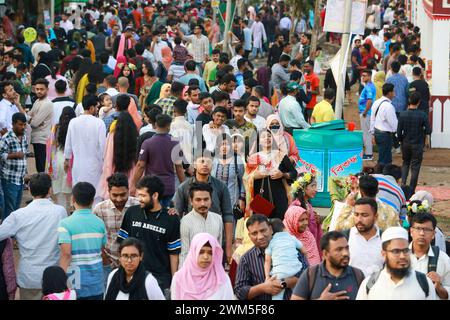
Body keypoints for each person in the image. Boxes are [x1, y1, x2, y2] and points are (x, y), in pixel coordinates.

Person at [0, 173, 67, 300]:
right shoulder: (60, 212)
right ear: (49, 189)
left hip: (29, 277)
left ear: (29, 190)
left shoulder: (19, 215)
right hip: (53, 276)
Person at [118, 175, 181, 298]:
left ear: (155, 196)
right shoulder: (132, 212)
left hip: (160, 280)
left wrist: (174, 283)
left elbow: (174, 254)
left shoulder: (171, 219)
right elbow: (123, 245)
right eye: (138, 195)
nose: (139, 199)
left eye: (143, 196)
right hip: (133, 276)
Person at [174, 155, 234, 263]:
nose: (205, 164)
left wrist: (228, 248)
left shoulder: (221, 187)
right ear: (194, 164)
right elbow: (176, 213)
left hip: (214, 233)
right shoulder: (183, 187)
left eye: (209, 161)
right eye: (202, 161)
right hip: (192, 235)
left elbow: (228, 216)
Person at [356, 226, 436, 300]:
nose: (402, 256)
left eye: (405, 251)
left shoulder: (424, 283)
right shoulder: (370, 283)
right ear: (384, 254)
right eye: (396, 251)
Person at [234, 214, 302, 300]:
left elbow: (307, 277)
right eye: (254, 233)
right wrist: (263, 288)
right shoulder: (246, 259)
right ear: (249, 236)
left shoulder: (291, 247)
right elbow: (239, 292)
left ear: (270, 229)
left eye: (263, 230)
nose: (260, 237)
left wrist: (283, 283)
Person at [58, 182, 107, 300]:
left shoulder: (65, 224)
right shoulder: (99, 223)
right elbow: (102, 250)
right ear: (92, 201)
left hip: (74, 280)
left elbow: (66, 254)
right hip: (96, 280)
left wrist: (60, 279)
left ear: (73, 199)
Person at [291, 231, 365, 300]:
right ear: (325, 254)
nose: (345, 253)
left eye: (347, 248)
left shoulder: (358, 275)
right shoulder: (311, 274)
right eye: (339, 249)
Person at [132, 114, 185, 207]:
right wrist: (184, 186)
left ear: (156, 124)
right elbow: (179, 167)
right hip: (169, 186)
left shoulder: (147, 143)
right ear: (169, 126)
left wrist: (134, 184)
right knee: (167, 215)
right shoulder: (175, 143)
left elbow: (140, 165)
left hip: (152, 187)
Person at [245, 129, 297, 220]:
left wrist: (282, 175)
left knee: (279, 223)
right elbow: (246, 177)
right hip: (260, 197)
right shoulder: (253, 158)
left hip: (279, 197)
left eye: (269, 136)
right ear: (259, 141)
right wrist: (256, 175)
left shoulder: (281, 155)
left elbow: (294, 173)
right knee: (262, 225)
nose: (267, 138)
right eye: (263, 137)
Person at [172, 233, 233, 300]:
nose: (206, 257)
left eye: (210, 253)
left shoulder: (222, 279)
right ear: (193, 252)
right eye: (201, 252)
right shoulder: (179, 279)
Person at [64, 95, 106, 190]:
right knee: (95, 194)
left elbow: (68, 144)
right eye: (97, 107)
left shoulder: (73, 122)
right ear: (91, 108)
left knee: (79, 193)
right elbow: (103, 147)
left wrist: (66, 159)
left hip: (78, 166)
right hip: (95, 165)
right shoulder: (99, 123)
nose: (97, 109)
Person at [96, 111, 138, 201]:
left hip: (114, 170)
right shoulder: (135, 136)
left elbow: (108, 158)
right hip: (131, 171)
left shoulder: (112, 135)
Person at [179, 183, 223, 267]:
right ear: (191, 201)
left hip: (213, 271)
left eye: (206, 199)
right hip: (192, 271)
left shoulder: (218, 219)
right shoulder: (185, 221)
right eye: (198, 200)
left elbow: (218, 251)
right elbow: (184, 253)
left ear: (211, 200)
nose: (203, 204)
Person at [409, 213, 450, 300]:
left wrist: (439, 287)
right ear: (411, 231)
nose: (422, 233)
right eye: (418, 228)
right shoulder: (399, 256)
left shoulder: (443, 259)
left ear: (433, 234)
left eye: (427, 229)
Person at [397, 92, 431, 194]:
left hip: (406, 143)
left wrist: (401, 140)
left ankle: (403, 184)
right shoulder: (422, 115)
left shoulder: (403, 114)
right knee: (415, 167)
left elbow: (398, 131)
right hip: (417, 144)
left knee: (405, 163)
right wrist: (423, 133)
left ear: (409, 101)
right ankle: (412, 190)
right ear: (419, 102)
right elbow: (429, 130)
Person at [265, 218, 307, 300]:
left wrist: (267, 276)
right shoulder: (292, 237)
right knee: (298, 294)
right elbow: (304, 251)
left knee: (277, 296)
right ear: (285, 228)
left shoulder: (272, 242)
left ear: (271, 231)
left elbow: (267, 260)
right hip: (296, 269)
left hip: (279, 274)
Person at [342, 197, 385, 277]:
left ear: (375, 217)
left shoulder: (385, 239)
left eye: (364, 215)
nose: (359, 219)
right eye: (356, 214)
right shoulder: (345, 238)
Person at [46, 107, 76, 210]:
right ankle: (69, 210)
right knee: (69, 189)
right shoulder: (74, 127)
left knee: (59, 190)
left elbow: (51, 146)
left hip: (58, 159)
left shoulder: (56, 128)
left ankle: (61, 212)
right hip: (70, 160)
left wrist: (49, 165)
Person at [0, 112, 28, 219]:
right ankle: (6, 232)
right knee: (9, 209)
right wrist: (14, 155)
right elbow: (1, 154)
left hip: (20, 179)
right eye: (20, 124)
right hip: (9, 178)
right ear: (13, 124)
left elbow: (24, 155)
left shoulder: (24, 136)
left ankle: (12, 231)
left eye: (24, 124)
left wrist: (25, 175)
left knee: (16, 208)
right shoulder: (6, 138)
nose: (23, 127)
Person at [28, 78, 53, 173]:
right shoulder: (37, 101)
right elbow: (29, 116)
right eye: (37, 89)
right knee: (39, 166)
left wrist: (32, 119)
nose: (39, 91)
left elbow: (34, 123)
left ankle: (43, 187)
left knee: (41, 167)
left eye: (41, 89)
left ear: (47, 90)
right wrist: (32, 119)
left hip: (42, 139)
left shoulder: (47, 104)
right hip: (36, 138)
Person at [370, 83, 398, 166]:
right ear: (389, 93)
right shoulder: (389, 106)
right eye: (393, 91)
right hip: (385, 135)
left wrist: (372, 133)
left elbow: (372, 119)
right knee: (385, 160)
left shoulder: (376, 102)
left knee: (382, 157)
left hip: (377, 132)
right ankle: (382, 175)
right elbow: (394, 124)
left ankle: (380, 173)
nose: (394, 93)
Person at [358, 69, 376, 160]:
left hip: (366, 113)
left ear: (369, 76)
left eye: (364, 76)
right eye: (362, 76)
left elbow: (369, 100)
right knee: (367, 134)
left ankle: (369, 154)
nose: (363, 77)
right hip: (367, 113)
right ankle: (368, 153)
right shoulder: (370, 86)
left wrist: (365, 112)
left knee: (366, 134)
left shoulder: (368, 87)